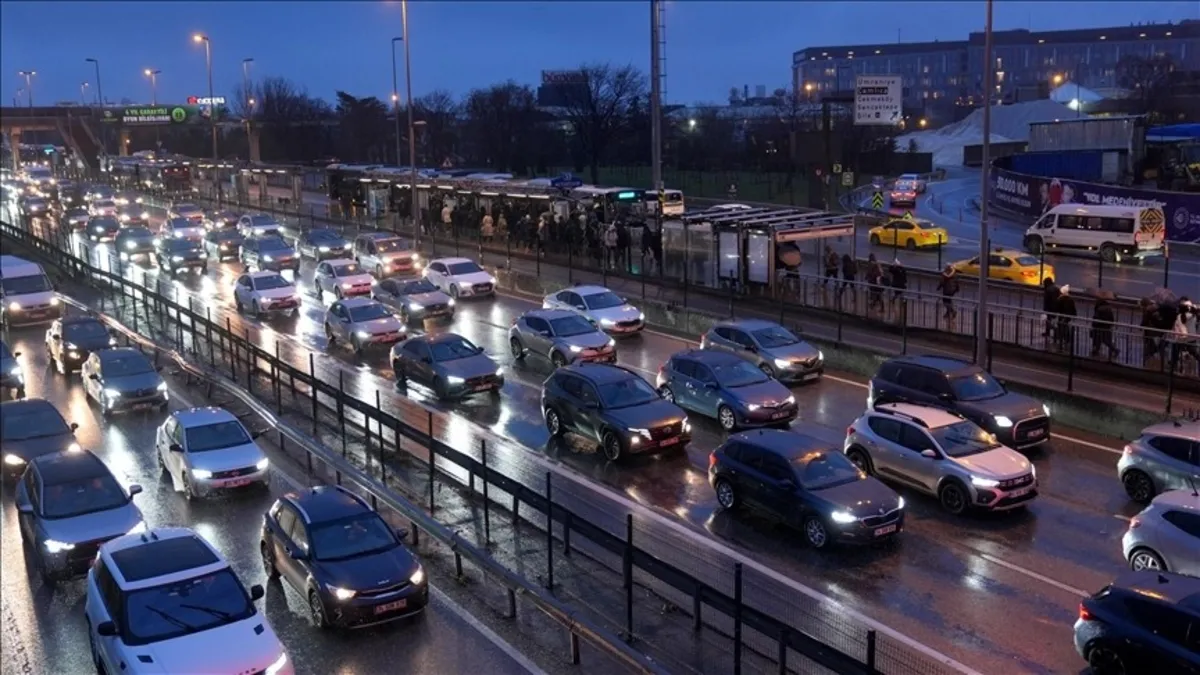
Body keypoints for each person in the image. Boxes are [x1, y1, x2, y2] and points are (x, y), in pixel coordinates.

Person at [1054, 285, 1077, 351]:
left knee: (1061, 328)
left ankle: (1062, 340)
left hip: (1062, 316)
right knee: (1066, 327)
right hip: (1068, 316)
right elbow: (1073, 308)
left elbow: (1057, 308)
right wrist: (1074, 315)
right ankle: (1067, 340)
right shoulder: (1070, 299)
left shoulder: (1060, 299)